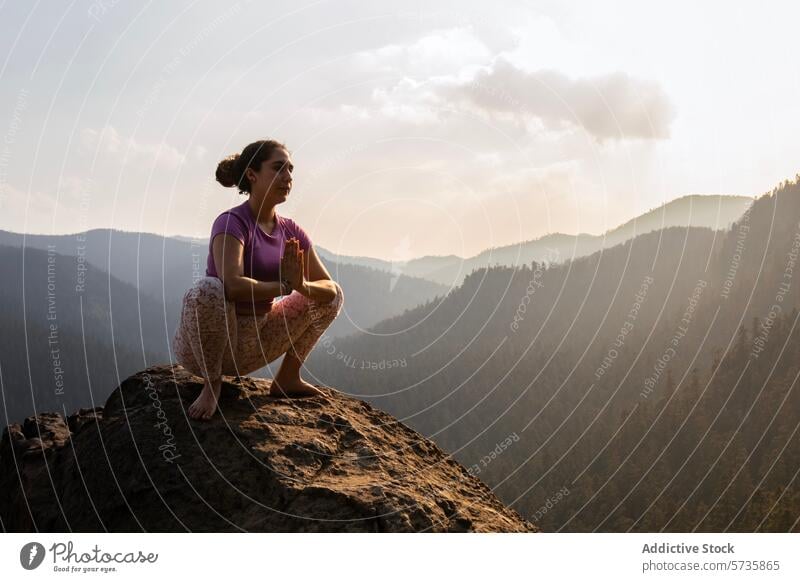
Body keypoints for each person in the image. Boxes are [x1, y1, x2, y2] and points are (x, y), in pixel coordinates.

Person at [172, 139, 344, 420]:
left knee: (332, 295)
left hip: (256, 342)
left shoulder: (291, 231)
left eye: (290, 170)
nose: (287, 177)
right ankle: (212, 384)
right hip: (206, 347)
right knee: (208, 290)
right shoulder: (232, 222)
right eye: (278, 168)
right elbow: (232, 284)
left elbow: (327, 288)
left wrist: (300, 285)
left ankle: (288, 378)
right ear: (252, 175)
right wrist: (282, 287)